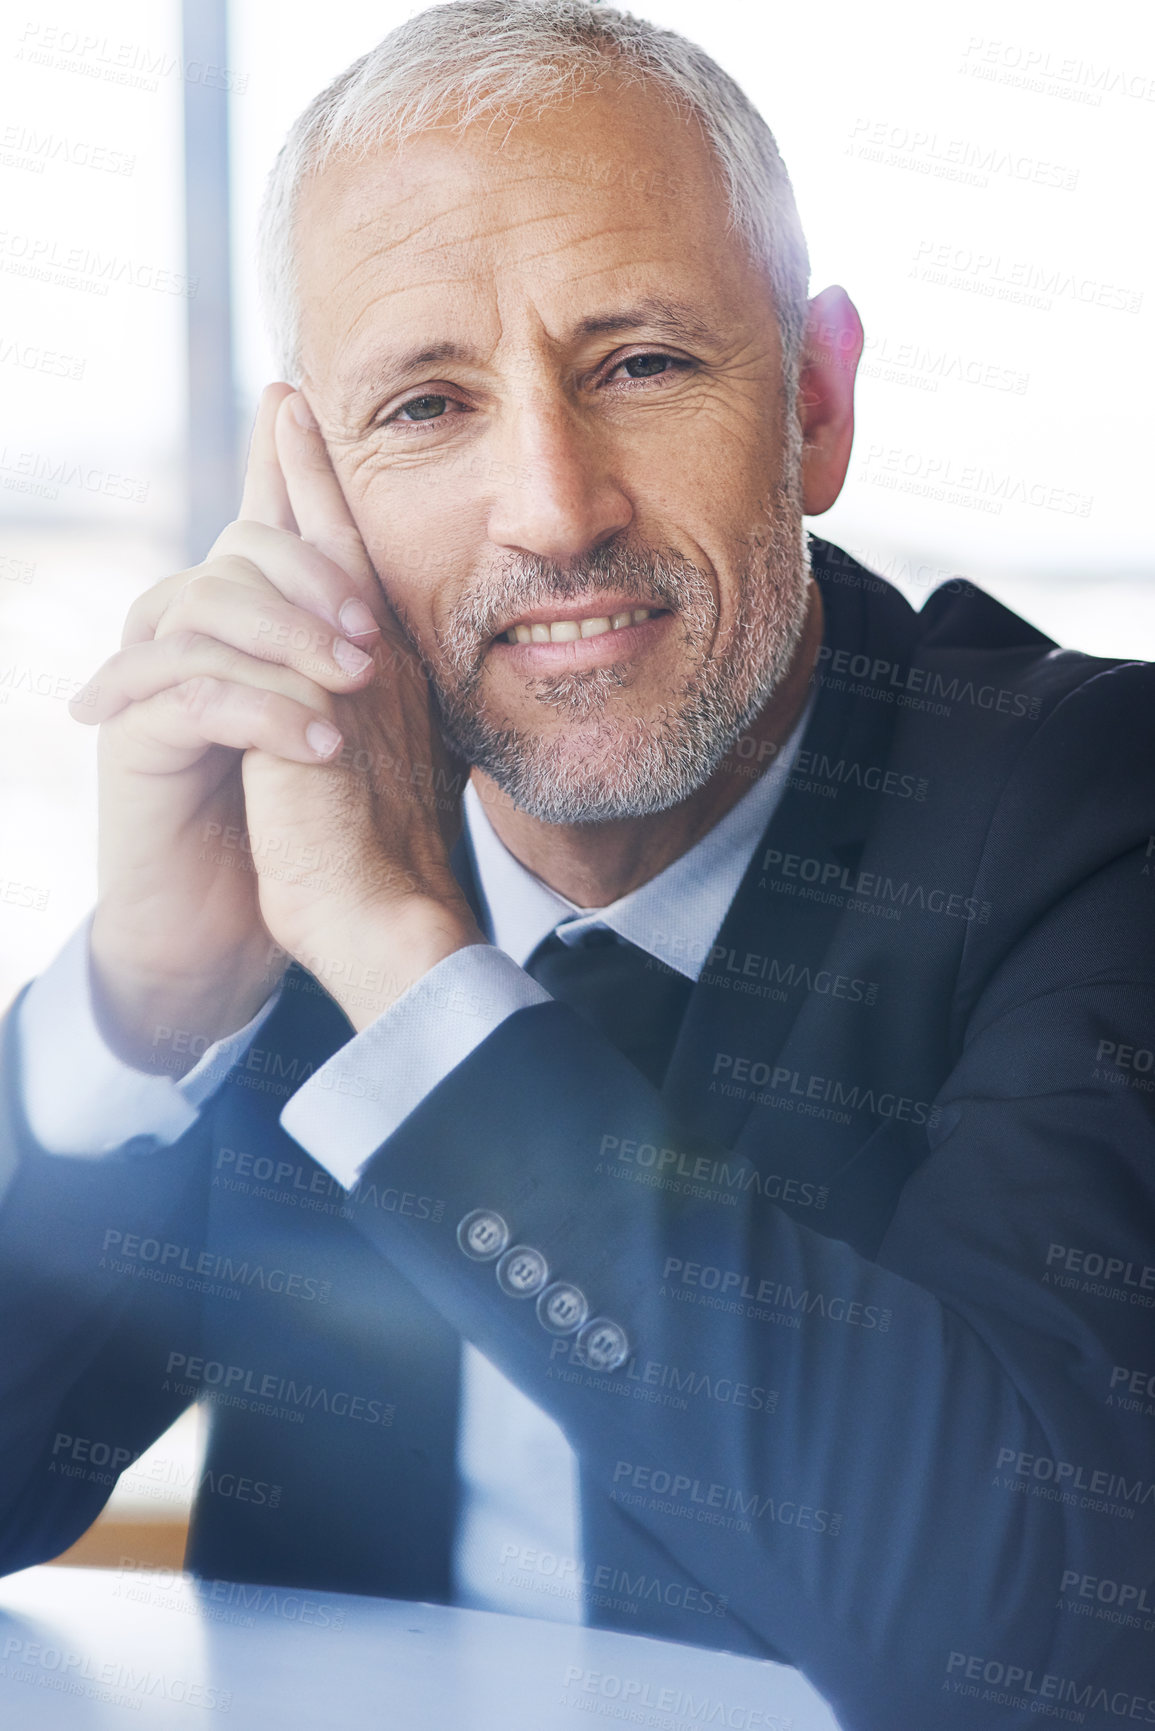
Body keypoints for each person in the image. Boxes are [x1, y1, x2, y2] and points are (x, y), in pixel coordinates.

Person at [2, 4, 1153, 1726]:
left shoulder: (1094, 808)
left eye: (641, 366)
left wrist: (409, 972)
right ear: (319, 484)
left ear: (818, 404)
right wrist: (145, 1015)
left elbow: (1045, 1643)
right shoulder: (284, 857)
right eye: (426, 403)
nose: (551, 507)